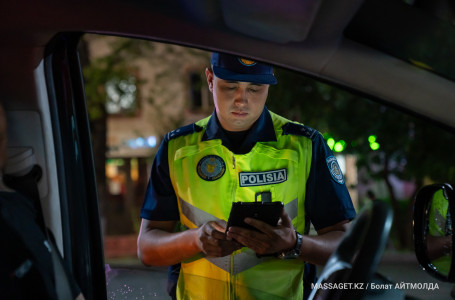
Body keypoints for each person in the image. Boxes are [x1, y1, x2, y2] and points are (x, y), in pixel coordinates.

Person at [137, 52, 356, 300]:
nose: (242, 100)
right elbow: (147, 249)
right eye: (230, 86)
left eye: (255, 88)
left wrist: (294, 244)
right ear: (210, 80)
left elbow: (348, 247)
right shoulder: (177, 148)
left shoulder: (304, 145)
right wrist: (196, 240)